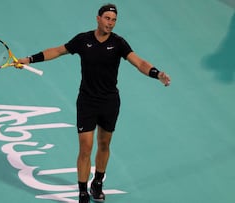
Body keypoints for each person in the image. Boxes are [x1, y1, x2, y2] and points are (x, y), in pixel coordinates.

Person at [17, 3, 171, 203]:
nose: (110, 23)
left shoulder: (119, 43)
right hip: (87, 101)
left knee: (104, 144)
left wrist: (156, 74)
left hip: (109, 102)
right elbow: (57, 51)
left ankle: (97, 183)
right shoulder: (83, 40)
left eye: (114, 20)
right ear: (98, 18)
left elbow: (139, 62)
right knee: (85, 147)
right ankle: (82, 191)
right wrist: (29, 59)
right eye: (107, 18)